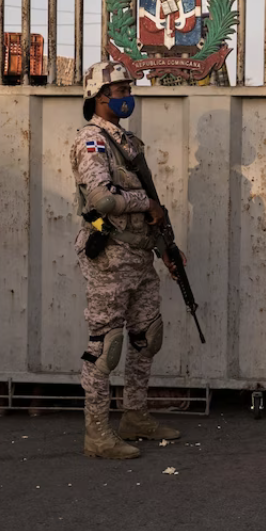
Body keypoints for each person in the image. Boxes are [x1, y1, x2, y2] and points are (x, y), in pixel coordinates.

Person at [71, 60, 181, 459]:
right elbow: (101, 200)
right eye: (120, 91)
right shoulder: (93, 142)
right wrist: (144, 201)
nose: (127, 96)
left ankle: (135, 415)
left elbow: (148, 208)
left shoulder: (128, 142)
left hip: (138, 254)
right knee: (106, 345)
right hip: (110, 255)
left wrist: (165, 247)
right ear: (98, 98)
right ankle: (97, 433)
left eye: (128, 89)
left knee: (145, 337)